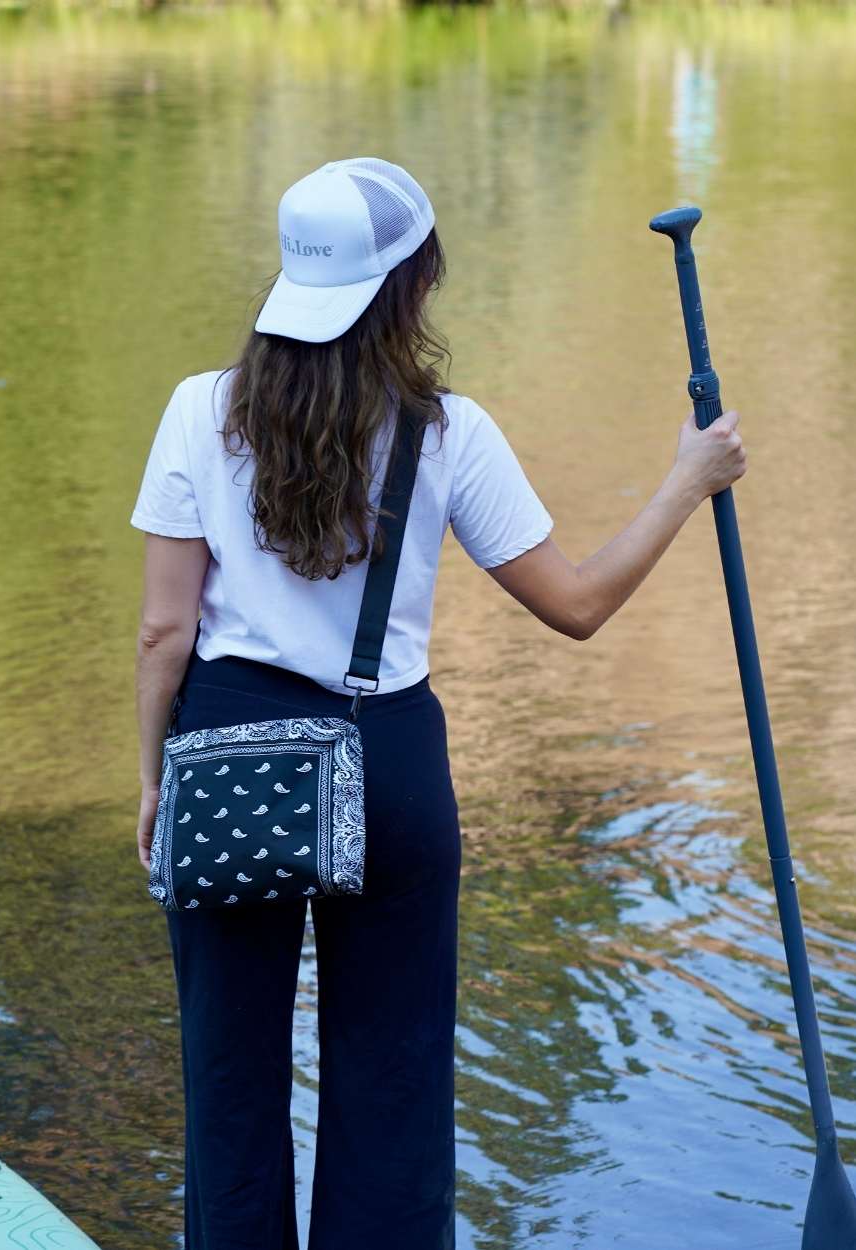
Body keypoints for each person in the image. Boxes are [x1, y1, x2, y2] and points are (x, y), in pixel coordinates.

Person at [128, 157, 746, 1250]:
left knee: (225, 1072)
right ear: (409, 285)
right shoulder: (446, 431)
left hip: (222, 751)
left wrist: (149, 778)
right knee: (392, 1075)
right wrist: (684, 480)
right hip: (387, 758)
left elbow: (162, 631)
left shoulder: (195, 409)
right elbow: (577, 603)